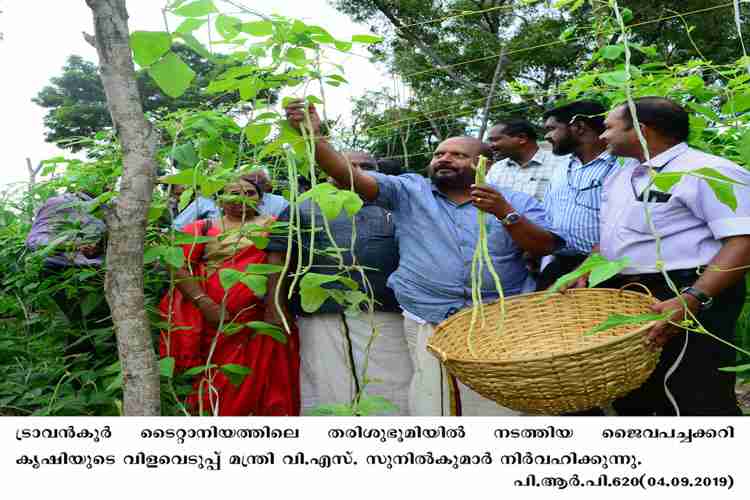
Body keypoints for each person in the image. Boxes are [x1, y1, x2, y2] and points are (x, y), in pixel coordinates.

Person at [285, 101, 563, 416]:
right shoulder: (409, 191)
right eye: (438, 154)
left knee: (498, 401)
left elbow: (544, 247)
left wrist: (505, 213)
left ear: (482, 162)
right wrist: (315, 137)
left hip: (498, 317)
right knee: (435, 399)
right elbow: (345, 175)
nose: (444, 158)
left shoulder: (514, 200)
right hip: (426, 313)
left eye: (458, 154)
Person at [567, 97, 750, 416]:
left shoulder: (710, 171)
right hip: (631, 294)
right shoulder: (622, 177)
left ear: (642, 130)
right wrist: (585, 269)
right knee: (636, 391)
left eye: (609, 128)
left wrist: (691, 298)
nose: (602, 137)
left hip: (690, 290)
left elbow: (743, 241)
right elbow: (613, 237)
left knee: (692, 392)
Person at [268, 151, 412, 415]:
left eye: (365, 166)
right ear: (327, 171)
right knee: (327, 383)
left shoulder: (398, 207)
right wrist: (274, 307)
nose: (355, 171)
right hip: (321, 314)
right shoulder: (302, 206)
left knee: (392, 381)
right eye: (348, 166)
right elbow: (278, 257)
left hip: (387, 312)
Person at [159, 176, 300, 416]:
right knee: (220, 375)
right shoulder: (202, 229)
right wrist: (205, 304)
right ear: (219, 200)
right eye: (233, 193)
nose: (241, 199)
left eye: (249, 193)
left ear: (261, 198)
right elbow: (175, 265)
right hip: (217, 320)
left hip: (263, 318)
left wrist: (276, 307)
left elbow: (289, 266)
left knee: (267, 379)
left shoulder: (277, 227)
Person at [536, 100, 618, 290]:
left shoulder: (622, 166)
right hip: (559, 265)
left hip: (603, 270)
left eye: (551, 129)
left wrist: (587, 267)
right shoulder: (561, 167)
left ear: (579, 127)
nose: (547, 136)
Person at [26, 185, 110, 353]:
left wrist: (97, 248)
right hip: (59, 271)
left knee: (94, 322)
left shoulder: (104, 209)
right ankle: (78, 368)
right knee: (79, 322)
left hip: (92, 273)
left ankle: (90, 364)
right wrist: (70, 246)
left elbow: (104, 245)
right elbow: (35, 241)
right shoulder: (59, 203)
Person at [485, 119, 568, 201]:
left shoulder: (562, 164)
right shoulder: (496, 169)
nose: (490, 146)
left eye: (495, 140)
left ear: (522, 138)